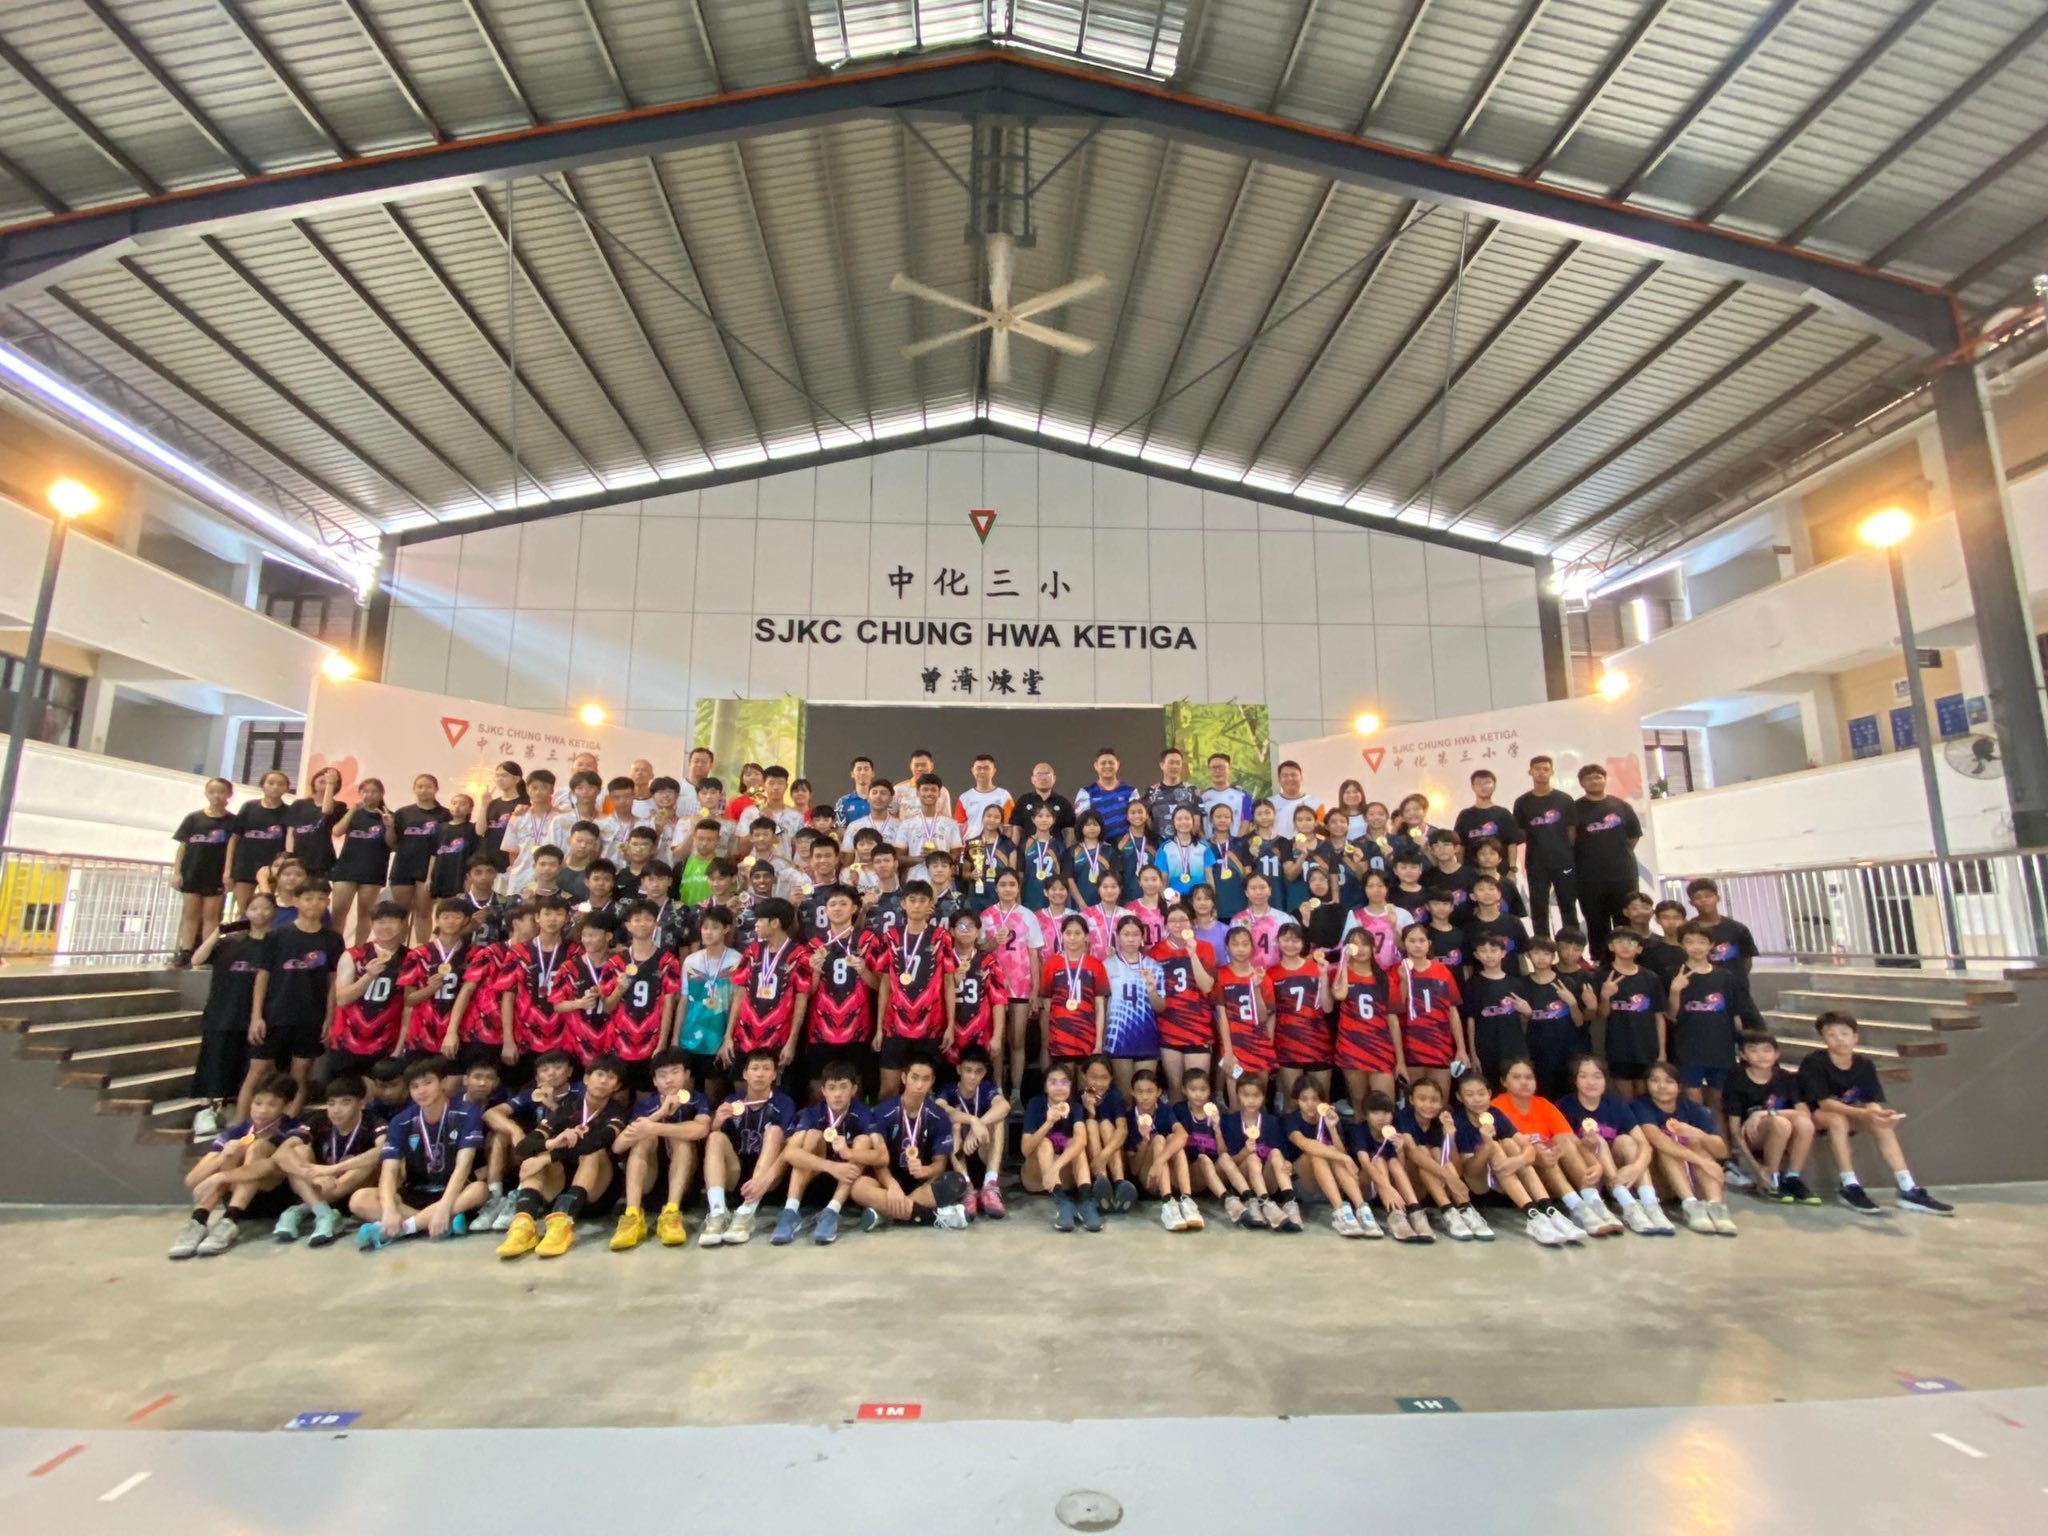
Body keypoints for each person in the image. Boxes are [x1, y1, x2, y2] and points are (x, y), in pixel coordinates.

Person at [1797, 1011, 1953, 1216]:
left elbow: (1871, 1101)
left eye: (1844, 1033)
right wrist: (1863, 1114)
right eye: (1831, 1034)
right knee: (1837, 1120)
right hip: (1815, 1115)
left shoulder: (1864, 1064)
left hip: (1849, 1113)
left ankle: (1907, 1187)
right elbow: (1825, 1104)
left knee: (1881, 1123)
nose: (1839, 1039)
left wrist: (1880, 1114)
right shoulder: (1814, 1062)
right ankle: (1849, 1185)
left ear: (1855, 1037)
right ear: (1823, 1039)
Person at [495, 1054, 630, 1259]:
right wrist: (551, 1144)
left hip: (597, 1195)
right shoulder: (568, 1107)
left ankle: (561, 1224)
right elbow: (524, 1146)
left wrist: (547, 1158)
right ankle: (523, 1225)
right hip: (559, 1188)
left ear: (617, 1086)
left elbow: (596, 1142)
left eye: (611, 1078)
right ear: (586, 1079)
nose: (603, 1081)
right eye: (599, 1075)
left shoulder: (617, 1111)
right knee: (537, 1153)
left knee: (592, 1151)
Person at [355, 1055, 487, 1250]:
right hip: (415, 1192)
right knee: (360, 1199)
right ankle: (435, 1224)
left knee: (479, 1190)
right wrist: (389, 1209)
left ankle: (406, 1228)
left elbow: (463, 1166)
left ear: (443, 1082)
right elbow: (389, 1170)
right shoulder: (401, 1121)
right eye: (415, 1086)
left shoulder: (467, 1113)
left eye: (427, 1083)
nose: (421, 1091)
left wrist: (443, 1208)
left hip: (453, 1191)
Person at [166, 1072, 301, 1258]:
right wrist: (222, 1158)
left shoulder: (293, 1129)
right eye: (257, 1103)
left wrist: (220, 1176)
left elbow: (271, 1168)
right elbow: (192, 1180)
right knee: (232, 1151)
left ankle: (230, 1220)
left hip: (273, 1197)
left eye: (271, 1105)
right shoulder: (238, 1131)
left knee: (258, 1147)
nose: (262, 1110)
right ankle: (198, 1221)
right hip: (234, 1196)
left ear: (286, 1106)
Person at [1492, 1057, 1623, 1239]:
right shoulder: (1496, 1107)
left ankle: (1593, 1203)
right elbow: (1499, 1151)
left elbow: (1571, 1140)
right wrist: (1535, 1155)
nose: (1524, 1082)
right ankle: (1578, 1207)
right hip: (1519, 1177)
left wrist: (1596, 1164)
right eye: (1517, 1077)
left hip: (1551, 1171)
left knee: (1562, 1141)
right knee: (1538, 1150)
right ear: (1504, 1081)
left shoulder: (1543, 1105)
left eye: (1529, 1077)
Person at [246, 878, 344, 1115]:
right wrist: (256, 1016)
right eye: (308, 898)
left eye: (321, 899)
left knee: (300, 1073)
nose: (314, 903)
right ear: (296, 901)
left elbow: (333, 982)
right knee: (257, 1071)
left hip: (311, 1016)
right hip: (274, 1014)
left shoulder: (332, 940)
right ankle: (241, 1125)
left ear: (327, 902)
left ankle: (289, 1122)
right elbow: (262, 976)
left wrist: (329, 1017)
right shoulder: (277, 935)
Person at [608, 1048, 713, 1251]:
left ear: (687, 1074)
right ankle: (632, 1215)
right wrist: (659, 1114)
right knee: (643, 1140)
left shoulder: (697, 1099)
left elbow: (701, 1129)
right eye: (662, 1075)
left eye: (675, 1072)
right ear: (655, 1081)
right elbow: (618, 1145)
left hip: (685, 1186)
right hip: (649, 1183)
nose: (669, 1079)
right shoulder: (646, 1104)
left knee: (680, 1139)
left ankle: (672, 1213)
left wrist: (655, 1128)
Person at [188, 895, 274, 1139]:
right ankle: (205, 1110)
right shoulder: (229, 943)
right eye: (254, 908)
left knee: (244, 1067)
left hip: (254, 1017)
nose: (260, 913)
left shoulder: (275, 944)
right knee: (214, 1061)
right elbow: (197, 960)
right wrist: (219, 931)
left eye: (265, 908)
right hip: (222, 1013)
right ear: (246, 911)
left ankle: (232, 1107)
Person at [855, 1049, 967, 1231]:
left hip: (921, 1184)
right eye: (914, 1078)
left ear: (932, 1081)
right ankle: (932, 1217)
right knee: (858, 1187)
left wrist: (924, 1170)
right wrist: (891, 1185)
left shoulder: (939, 1116)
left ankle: (885, 1214)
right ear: (904, 1078)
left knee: (957, 1182)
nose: (919, 1085)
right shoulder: (883, 1111)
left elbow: (940, 1164)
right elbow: (878, 1161)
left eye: (925, 1079)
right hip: (887, 1182)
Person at [1558, 1055, 1670, 1234]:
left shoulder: (1616, 1104)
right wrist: (1588, 1145)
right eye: (1583, 1076)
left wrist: (1637, 1166)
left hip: (1617, 1174)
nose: (1591, 1082)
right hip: (1587, 1174)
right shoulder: (1565, 1106)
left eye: (1597, 1076)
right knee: (1599, 1141)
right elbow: (1565, 1145)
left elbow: (1643, 1143)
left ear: (1605, 1079)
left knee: (1626, 1141)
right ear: (1575, 1080)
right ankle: (1628, 1204)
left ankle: (1650, 1204)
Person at [269, 1073, 382, 1246]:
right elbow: (281, 1153)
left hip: (352, 1190)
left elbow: (383, 1149)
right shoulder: (319, 1119)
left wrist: (333, 1169)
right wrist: (309, 1175)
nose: (336, 1110)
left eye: (345, 1103)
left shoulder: (373, 1121)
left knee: (369, 1161)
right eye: (331, 1103)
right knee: (297, 1150)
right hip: (319, 1185)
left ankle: (300, 1210)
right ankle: (323, 1213)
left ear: (361, 1103)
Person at [700, 1049, 796, 1246]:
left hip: (767, 1177)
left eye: (766, 1069)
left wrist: (765, 1179)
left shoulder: (784, 1103)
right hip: (735, 1173)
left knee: (775, 1132)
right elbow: (714, 1144)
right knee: (715, 1137)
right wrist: (717, 1122)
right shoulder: (731, 1101)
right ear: (745, 1073)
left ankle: (746, 1213)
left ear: (774, 1075)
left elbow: (789, 1148)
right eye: (755, 1068)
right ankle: (718, 1213)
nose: (760, 1074)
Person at [1631, 1060, 1737, 1235]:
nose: (1662, 1086)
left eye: (1669, 1081)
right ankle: (1690, 1205)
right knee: (1669, 1147)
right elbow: (1657, 1139)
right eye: (1655, 1080)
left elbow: (1722, 1151)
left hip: (1692, 1179)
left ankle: (1716, 1206)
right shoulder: (1640, 1105)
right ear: (1647, 1084)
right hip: (1660, 1180)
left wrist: (1699, 1134)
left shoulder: (1692, 1108)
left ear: (1679, 1087)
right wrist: (1702, 1162)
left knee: (1697, 1142)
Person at [1389, 1076, 1494, 1240]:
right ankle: (1447, 1210)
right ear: (1411, 1100)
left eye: (1434, 1100)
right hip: (1407, 1183)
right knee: (1423, 1151)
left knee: (1438, 1152)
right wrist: (1450, 1178)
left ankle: (1463, 1209)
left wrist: (1450, 1137)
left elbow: (1457, 1168)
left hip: (1436, 1182)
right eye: (1422, 1099)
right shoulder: (1404, 1117)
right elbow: (1413, 1153)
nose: (1428, 1105)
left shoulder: (1442, 1120)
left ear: (1441, 1103)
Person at [1725, 1031, 1819, 1205]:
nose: (1761, 1056)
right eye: (1753, 1050)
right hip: (1753, 1135)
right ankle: (1771, 1177)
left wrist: (1764, 1113)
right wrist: (1756, 1168)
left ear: (1777, 1054)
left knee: (1804, 1123)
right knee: (1780, 1123)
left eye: (1767, 1050)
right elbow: (1735, 1130)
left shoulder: (1785, 1077)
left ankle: (1792, 1177)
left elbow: (1804, 1112)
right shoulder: (1736, 1080)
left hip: (1780, 1131)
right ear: (1743, 1055)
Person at [1282, 1078, 1374, 1237]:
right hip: (1306, 1185)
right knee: (1316, 1154)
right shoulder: (1292, 1119)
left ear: (1322, 1101)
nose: (1310, 1104)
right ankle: (1340, 1211)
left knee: (1331, 1150)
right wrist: (1345, 1159)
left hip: (1333, 1184)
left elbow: (1341, 1152)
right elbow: (1303, 1143)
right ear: (1297, 1100)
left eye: (1315, 1099)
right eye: (1304, 1099)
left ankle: (1362, 1209)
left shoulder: (1329, 1117)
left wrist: (1332, 1128)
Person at [729, 896, 808, 1074]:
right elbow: (740, 993)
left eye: (760, 920)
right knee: (741, 1084)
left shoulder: (800, 954)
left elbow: (801, 998)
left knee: (774, 1086)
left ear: (775, 923)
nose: (756, 925)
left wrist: (792, 1041)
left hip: (779, 1038)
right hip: (745, 1035)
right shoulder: (751, 951)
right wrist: (728, 1035)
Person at [1387, 921, 1467, 1097]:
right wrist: (1404, 981)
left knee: (1440, 1099)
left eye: (1421, 940)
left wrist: (1461, 1048)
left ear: (1429, 943)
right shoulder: (1394, 972)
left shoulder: (1442, 970)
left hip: (1440, 1046)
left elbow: (1452, 1011)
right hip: (1410, 1047)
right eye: (1412, 940)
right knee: (1416, 1100)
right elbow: (1395, 1011)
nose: (1417, 945)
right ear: (1403, 944)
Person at [1571, 764, 1641, 959]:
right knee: (1596, 922)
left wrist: (1616, 854)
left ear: (1604, 779)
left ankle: (1629, 961)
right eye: (1589, 778)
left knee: (1625, 920)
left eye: (1598, 777)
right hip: (1589, 878)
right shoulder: (1575, 809)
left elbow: (1633, 836)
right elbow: (1570, 840)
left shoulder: (1621, 806)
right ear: (1581, 783)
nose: (1594, 781)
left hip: (1623, 875)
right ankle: (1600, 962)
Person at [1172, 1068, 1258, 1224]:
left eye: (1203, 1089)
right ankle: (1229, 1201)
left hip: (1214, 1176)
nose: (1198, 1094)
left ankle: (1249, 1198)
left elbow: (1222, 1152)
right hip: (1190, 1175)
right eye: (1193, 1089)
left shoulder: (1218, 1114)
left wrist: (1217, 1127)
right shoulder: (1179, 1111)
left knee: (1224, 1158)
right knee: (1203, 1159)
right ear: (1184, 1090)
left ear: (1210, 1090)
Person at [1021, 1062, 1099, 1232]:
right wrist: (1048, 1123)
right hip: (1037, 1178)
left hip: (1062, 1176)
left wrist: (1055, 1167)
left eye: (1064, 1082)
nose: (1059, 1087)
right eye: (1053, 1082)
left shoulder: (1075, 1107)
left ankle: (1085, 1201)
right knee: (1044, 1143)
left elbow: (1081, 1141)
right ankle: (1062, 1203)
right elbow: (1025, 1149)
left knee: (1075, 1144)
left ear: (1071, 1086)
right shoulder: (1036, 1104)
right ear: (1045, 1087)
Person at [1151, 902, 1216, 1100]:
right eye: (1173, 921)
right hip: (1169, 1027)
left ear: (1192, 923)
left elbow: (1207, 986)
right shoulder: (1156, 952)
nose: (1178, 925)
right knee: (1175, 1090)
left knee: (1198, 1091)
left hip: (1198, 1027)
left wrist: (1192, 954)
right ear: (1165, 925)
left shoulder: (1205, 948)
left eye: (1183, 920)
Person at [1349, 1091, 1434, 1243]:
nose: (1381, 1118)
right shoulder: (1360, 1130)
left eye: (1386, 1113)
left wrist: (1400, 1150)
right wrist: (1386, 1187)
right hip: (1366, 1185)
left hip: (1391, 1191)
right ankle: (1395, 1214)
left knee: (1393, 1162)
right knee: (1379, 1161)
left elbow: (1400, 1169)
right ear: (1366, 1115)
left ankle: (1415, 1210)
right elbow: (1365, 1164)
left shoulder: (1393, 1133)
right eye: (1375, 1113)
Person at [171, 776, 238, 967]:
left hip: (215, 873)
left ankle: (206, 952)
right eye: (212, 792)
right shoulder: (193, 818)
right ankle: (186, 951)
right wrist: (177, 872)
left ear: (229, 794)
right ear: (206, 793)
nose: (216, 796)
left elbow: (232, 848)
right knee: (190, 913)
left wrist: (228, 873)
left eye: (221, 792)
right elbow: (182, 847)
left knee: (211, 914)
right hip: (193, 871)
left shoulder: (232, 821)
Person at [939, 1043, 1010, 1218]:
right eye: (968, 1070)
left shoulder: (985, 1088)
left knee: (998, 1120)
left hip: (983, 1155)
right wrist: (973, 1120)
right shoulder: (948, 1090)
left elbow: (1005, 1106)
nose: (972, 1076)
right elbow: (942, 1109)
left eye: (978, 1071)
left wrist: (980, 1124)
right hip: (958, 1159)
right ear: (959, 1069)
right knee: (953, 1124)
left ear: (984, 1073)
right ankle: (966, 1189)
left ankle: (990, 1185)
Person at [1221, 1076, 1301, 1231]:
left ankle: (1289, 1202)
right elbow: (1229, 1163)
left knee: (1276, 1152)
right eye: (1246, 1095)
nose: (1251, 1100)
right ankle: (1261, 1202)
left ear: (1264, 1097)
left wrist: (1288, 1164)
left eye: (1256, 1095)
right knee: (1252, 1158)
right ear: (1237, 1096)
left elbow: (1283, 1155)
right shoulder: (1230, 1121)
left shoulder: (1271, 1121)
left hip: (1266, 1181)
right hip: (1244, 1183)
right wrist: (1245, 1152)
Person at [1125, 1068, 1198, 1230]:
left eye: (1150, 1091)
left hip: (1165, 1173)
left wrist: (1159, 1162)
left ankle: (1187, 1200)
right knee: (1158, 1139)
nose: (1145, 1097)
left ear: (1158, 1092)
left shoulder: (1165, 1110)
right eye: (1140, 1092)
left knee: (1173, 1139)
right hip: (1147, 1178)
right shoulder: (1129, 1118)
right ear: (1132, 1092)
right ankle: (1167, 1204)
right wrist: (1145, 1142)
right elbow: (1134, 1169)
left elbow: (1183, 1135)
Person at [1594, 926, 1663, 1098]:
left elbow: (1658, 1015)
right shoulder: (1601, 975)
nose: (1625, 946)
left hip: (1646, 1047)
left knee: (1645, 1097)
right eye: (1619, 941)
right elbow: (1601, 1015)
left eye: (1631, 942)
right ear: (1611, 946)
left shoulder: (1650, 977)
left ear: (1639, 949)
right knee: (1624, 1098)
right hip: (1617, 1048)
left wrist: (1662, 1051)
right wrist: (1605, 996)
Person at [1514, 755, 1578, 937]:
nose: (1541, 772)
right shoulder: (1522, 802)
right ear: (1530, 772)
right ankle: (1542, 945)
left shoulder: (1564, 799)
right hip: (1536, 863)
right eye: (1537, 769)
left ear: (1552, 772)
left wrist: (1565, 852)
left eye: (1545, 769)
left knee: (1568, 904)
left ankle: (1572, 945)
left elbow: (1571, 831)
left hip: (1563, 862)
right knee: (1538, 907)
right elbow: (1521, 833)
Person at [1266, 921, 1330, 1102]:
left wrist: (1324, 976)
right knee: (1292, 1102)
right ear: (1277, 941)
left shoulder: (1316, 968)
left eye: (1295, 940)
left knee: (1321, 1102)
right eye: (1286, 940)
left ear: (1303, 943)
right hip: (1287, 1044)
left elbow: (1328, 1007)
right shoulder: (1271, 974)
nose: (1290, 945)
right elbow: (1271, 1015)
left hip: (1318, 1042)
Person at [1518, 936, 1589, 1098]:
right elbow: (1519, 1025)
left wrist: (1572, 1003)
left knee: (1570, 1095)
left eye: (1546, 953)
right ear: (1528, 955)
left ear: (1553, 956)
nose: (1541, 958)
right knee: (1544, 1095)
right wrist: (1527, 1014)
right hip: (1537, 1052)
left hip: (1567, 1051)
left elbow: (1579, 1022)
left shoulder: (1567, 982)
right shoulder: (1521, 985)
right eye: (1536, 953)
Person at [1101, 914, 1164, 1093]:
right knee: (1125, 1096)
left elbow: (1160, 1007)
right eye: (1126, 934)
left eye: (1135, 934)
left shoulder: (1154, 966)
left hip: (1146, 1036)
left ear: (1142, 937)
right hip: (1117, 1038)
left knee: (1144, 1094)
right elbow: (1101, 1005)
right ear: (1118, 936)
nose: (1131, 939)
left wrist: (1152, 990)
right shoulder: (1106, 965)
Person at [944, 908, 1008, 1075]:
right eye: (961, 926)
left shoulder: (989, 961)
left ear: (978, 932)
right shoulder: (943, 959)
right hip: (948, 1034)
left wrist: (997, 1036)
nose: (966, 930)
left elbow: (998, 1001)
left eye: (971, 926)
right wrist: (950, 982)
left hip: (979, 1035)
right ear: (952, 931)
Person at [389, 774, 452, 943]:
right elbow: (393, 843)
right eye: (420, 786)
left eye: (428, 786)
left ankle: (421, 951)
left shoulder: (445, 814)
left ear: (436, 789)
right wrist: (388, 827)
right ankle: (399, 951)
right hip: (403, 867)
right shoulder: (403, 813)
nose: (424, 790)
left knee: (423, 912)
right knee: (400, 913)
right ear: (414, 789)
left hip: (428, 869)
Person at [1041, 913, 1108, 1068]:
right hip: (1060, 1037)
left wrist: (1099, 1042)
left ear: (1086, 937)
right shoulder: (1051, 964)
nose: (1072, 938)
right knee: (1065, 1080)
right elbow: (1047, 1005)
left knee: (1085, 1082)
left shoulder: (1096, 965)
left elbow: (1100, 1006)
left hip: (1087, 1037)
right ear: (1062, 935)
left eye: (1078, 933)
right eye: (1068, 933)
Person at [227, 769, 294, 918]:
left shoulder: (289, 812)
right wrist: (228, 869)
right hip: (245, 866)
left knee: (270, 909)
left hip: (272, 868)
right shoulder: (249, 807)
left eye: (280, 784)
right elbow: (234, 838)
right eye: (271, 783)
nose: (275, 787)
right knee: (244, 911)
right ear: (262, 785)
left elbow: (290, 841)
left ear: (287, 788)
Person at [1453, 770, 1522, 874]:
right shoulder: (1465, 815)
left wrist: (1512, 870)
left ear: (1494, 786)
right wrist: (1460, 871)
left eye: (1487, 783)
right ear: (1473, 787)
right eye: (1479, 783)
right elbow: (1460, 846)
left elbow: (1512, 844)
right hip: (1472, 872)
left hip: (1500, 872)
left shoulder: (1503, 814)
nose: (1483, 787)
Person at [1686, 879, 1759, 974]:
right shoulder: (1687, 930)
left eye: (1708, 896)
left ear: (1718, 898)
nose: (1704, 900)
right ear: (1691, 903)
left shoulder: (1737, 928)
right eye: (1698, 897)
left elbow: (1747, 960)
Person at [429, 794, 481, 902]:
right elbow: (433, 855)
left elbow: (476, 856)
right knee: (441, 907)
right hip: (441, 874)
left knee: (460, 906)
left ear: (470, 809)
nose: (457, 807)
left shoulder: (472, 829)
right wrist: (428, 878)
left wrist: (471, 878)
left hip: (460, 875)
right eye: (454, 803)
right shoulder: (440, 828)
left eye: (462, 804)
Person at [1073, 748, 1134, 841]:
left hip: (1126, 844)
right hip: (1098, 845)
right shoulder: (1085, 792)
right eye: (1103, 763)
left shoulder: (1131, 791)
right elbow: (1082, 822)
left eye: (1111, 763)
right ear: (1096, 766)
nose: (1107, 766)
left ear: (1118, 764)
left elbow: (1137, 820)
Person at [1009, 760, 1076, 844]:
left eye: (1047, 774)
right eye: (1039, 774)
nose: (1043, 778)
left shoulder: (1063, 803)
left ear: (1054, 778)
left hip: (1055, 850)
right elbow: (1016, 828)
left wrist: (1068, 851)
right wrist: (1014, 849)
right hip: (1027, 850)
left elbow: (1069, 831)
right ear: (1032, 779)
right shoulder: (1023, 801)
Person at [1200, 752, 1252, 834]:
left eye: (1221, 767)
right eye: (1214, 768)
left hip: (1236, 841)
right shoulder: (1201, 797)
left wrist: (1237, 841)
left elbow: (1246, 823)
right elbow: (1198, 825)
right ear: (1208, 771)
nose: (1217, 771)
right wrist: (1205, 842)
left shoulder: (1242, 796)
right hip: (1208, 842)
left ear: (1229, 769)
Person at [1267, 759, 1318, 831]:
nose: (1290, 778)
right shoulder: (1269, 804)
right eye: (1285, 776)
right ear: (1279, 779)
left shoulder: (1315, 803)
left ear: (1301, 777)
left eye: (1294, 775)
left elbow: (1320, 831)